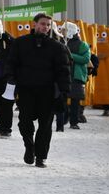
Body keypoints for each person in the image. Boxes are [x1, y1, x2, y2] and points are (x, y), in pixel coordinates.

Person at [6, 13, 70, 168]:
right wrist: (11, 80)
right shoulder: (21, 43)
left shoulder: (57, 47)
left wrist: (64, 91)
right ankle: (29, 147)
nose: (45, 27)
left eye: (48, 25)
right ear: (34, 24)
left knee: (45, 125)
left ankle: (41, 157)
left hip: (47, 91)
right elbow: (11, 63)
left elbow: (63, 69)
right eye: (42, 24)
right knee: (25, 122)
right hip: (26, 89)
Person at [62, 22, 91, 130]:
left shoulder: (82, 44)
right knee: (62, 98)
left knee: (75, 100)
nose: (62, 32)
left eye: (65, 30)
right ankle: (63, 119)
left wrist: (69, 54)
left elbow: (86, 59)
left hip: (76, 75)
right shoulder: (62, 42)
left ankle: (74, 121)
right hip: (64, 73)